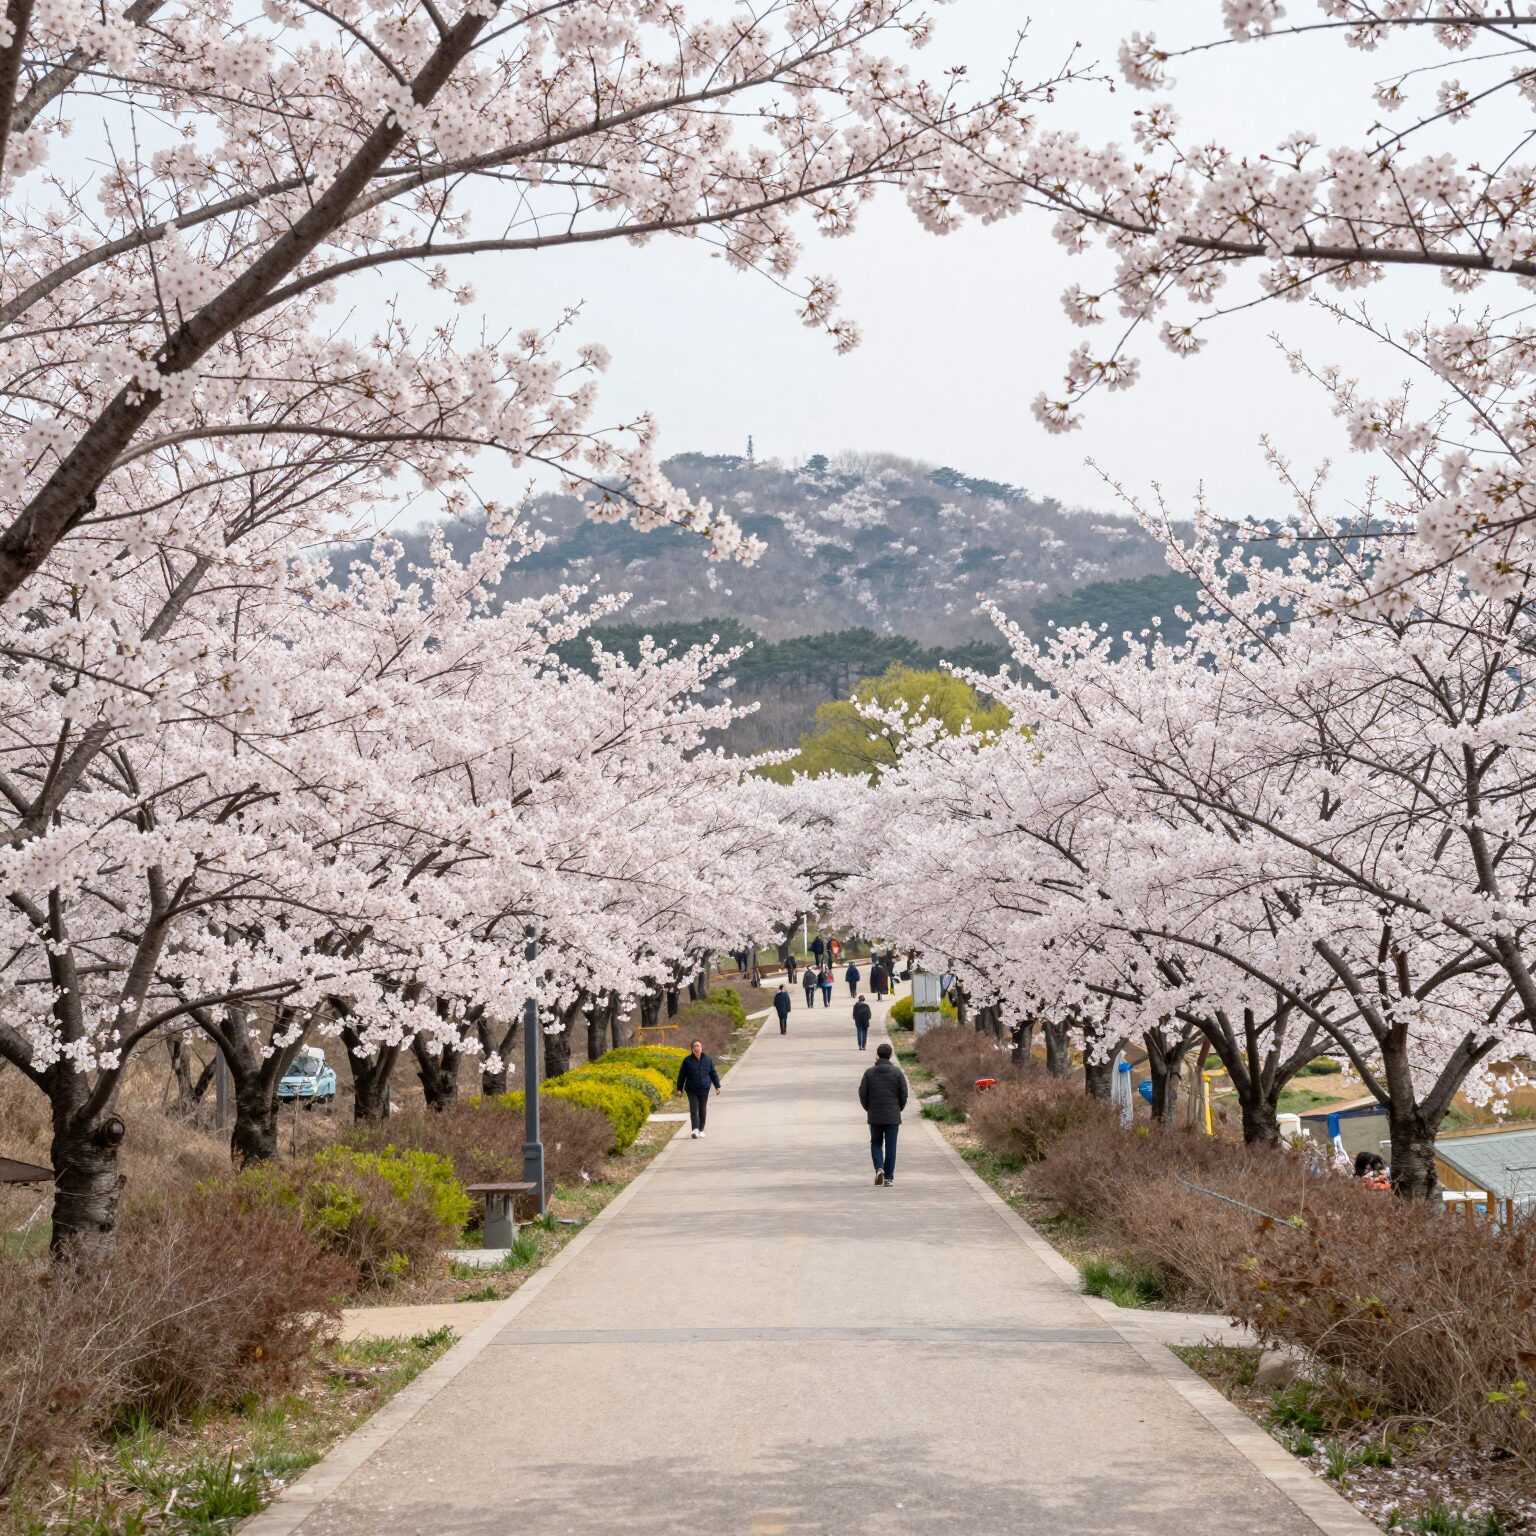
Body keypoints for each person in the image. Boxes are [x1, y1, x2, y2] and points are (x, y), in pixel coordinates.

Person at [859, 1041, 908, 1186]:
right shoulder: (897, 1073)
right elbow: (903, 1093)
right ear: (890, 1055)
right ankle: (889, 1178)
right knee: (891, 1146)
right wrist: (899, 1108)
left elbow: (863, 1093)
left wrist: (868, 1108)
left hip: (875, 1115)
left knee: (876, 1142)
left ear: (877, 1055)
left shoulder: (869, 1073)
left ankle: (879, 1168)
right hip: (893, 1116)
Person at [676, 1038, 722, 1138]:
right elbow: (682, 1076)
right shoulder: (687, 1061)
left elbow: (713, 1074)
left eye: (699, 1046)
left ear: (701, 1048)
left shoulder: (707, 1060)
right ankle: (695, 1130)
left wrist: (717, 1086)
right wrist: (679, 1089)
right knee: (694, 1109)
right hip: (691, 1090)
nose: (698, 1049)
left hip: (704, 1089)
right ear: (692, 1049)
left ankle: (701, 1129)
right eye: (695, 1047)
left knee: (702, 1110)